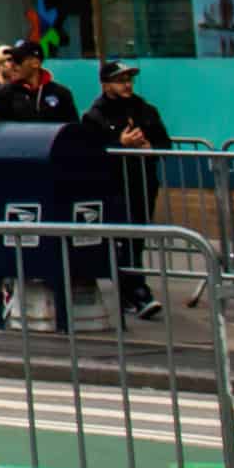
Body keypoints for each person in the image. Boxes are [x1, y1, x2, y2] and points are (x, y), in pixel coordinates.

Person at [82, 61, 170, 320]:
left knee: (136, 236)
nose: (127, 84)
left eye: (129, 79)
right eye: (120, 79)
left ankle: (129, 290)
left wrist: (150, 148)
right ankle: (138, 291)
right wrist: (118, 144)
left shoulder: (145, 110)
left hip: (142, 182)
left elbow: (165, 142)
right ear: (106, 84)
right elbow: (89, 151)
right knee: (123, 237)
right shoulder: (95, 115)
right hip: (112, 185)